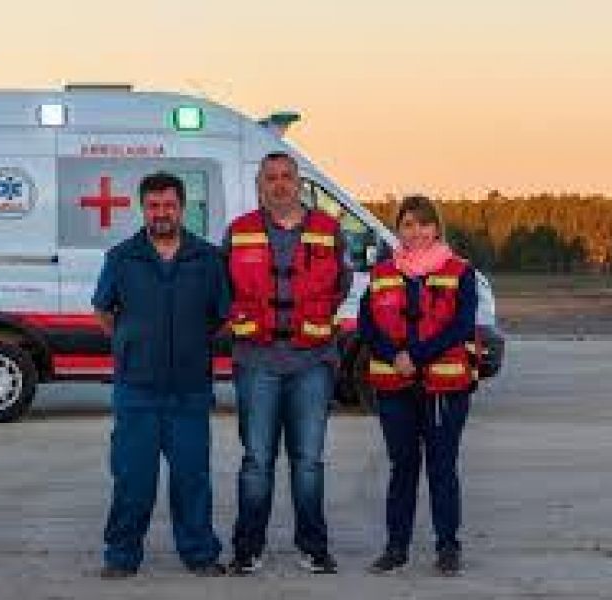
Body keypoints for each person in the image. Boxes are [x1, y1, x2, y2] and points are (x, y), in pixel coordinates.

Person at [92, 172, 230, 578]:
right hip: (137, 390)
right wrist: (132, 342)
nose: (162, 213)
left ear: (182, 208)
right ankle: (121, 556)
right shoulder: (121, 258)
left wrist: (191, 344)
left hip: (189, 390)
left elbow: (221, 318)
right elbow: (103, 311)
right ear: (143, 208)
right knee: (134, 480)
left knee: (192, 478)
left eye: (169, 205)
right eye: (154, 206)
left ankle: (200, 554)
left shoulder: (206, 259)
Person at [224, 152, 351, 575]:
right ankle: (248, 547)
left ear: (300, 184)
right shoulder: (238, 233)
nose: (280, 185)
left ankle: (313, 547)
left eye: (287, 177)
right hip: (256, 361)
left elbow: (341, 284)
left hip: (312, 362)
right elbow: (223, 290)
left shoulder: (330, 232)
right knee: (257, 460)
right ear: (260, 185)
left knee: (309, 460)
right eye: (271, 178)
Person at [357, 194, 477, 576]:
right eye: (408, 224)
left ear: (436, 228)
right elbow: (367, 326)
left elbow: (461, 325)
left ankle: (447, 548)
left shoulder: (460, 271)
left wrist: (417, 356)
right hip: (395, 387)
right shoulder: (382, 274)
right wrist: (395, 356)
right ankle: (396, 549)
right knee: (402, 468)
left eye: (424, 224)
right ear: (398, 231)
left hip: (444, 389)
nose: (417, 232)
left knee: (442, 469)